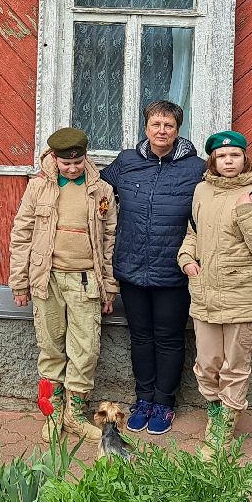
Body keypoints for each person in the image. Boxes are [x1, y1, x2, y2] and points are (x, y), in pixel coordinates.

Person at [99, 100, 206, 436]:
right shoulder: (127, 162)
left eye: (169, 126)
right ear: (146, 128)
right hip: (131, 265)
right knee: (141, 336)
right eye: (156, 125)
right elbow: (95, 188)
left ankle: (165, 402)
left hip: (173, 270)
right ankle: (143, 398)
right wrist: (51, 168)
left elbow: (222, 194)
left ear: (178, 130)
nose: (162, 131)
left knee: (170, 338)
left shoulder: (196, 168)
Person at [9, 127, 118, 444]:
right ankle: (53, 414)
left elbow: (109, 241)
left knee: (86, 351)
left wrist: (109, 287)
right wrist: (20, 281)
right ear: (54, 158)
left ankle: (74, 415)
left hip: (86, 280)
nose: (72, 169)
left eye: (78, 162)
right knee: (51, 348)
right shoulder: (38, 188)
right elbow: (21, 236)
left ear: (85, 157)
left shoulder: (102, 191)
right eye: (66, 163)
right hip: (48, 279)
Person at [178, 130, 252, 443]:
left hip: (241, 296)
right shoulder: (201, 191)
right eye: (222, 156)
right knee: (206, 364)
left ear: (244, 157)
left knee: (235, 366)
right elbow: (192, 233)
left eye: (234, 155)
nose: (228, 161)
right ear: (213, 161)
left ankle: (227, 424)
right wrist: (185, 258)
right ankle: (214, 413)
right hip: (205, 292)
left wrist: (245, 210)